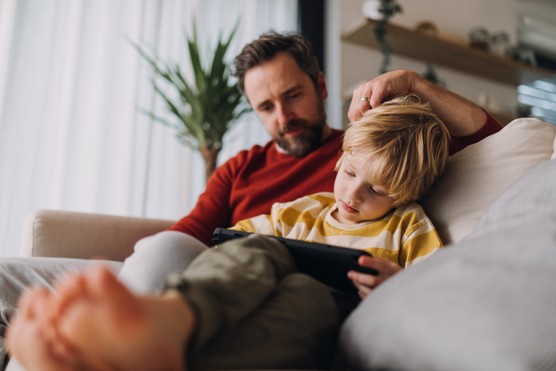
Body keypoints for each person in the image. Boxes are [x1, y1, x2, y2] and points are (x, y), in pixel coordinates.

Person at [0, 31, 502, 369]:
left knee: (303, 296)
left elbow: (496, 140)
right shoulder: (246, 169)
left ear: (321, 86)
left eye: (293, 95)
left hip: (312, 298)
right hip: (218, 277)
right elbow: (191, 237)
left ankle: (132, 344)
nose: (283, 116)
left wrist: (413, 83)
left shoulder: (382, 147)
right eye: (266, 106)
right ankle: (156, 322)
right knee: (15, 276)